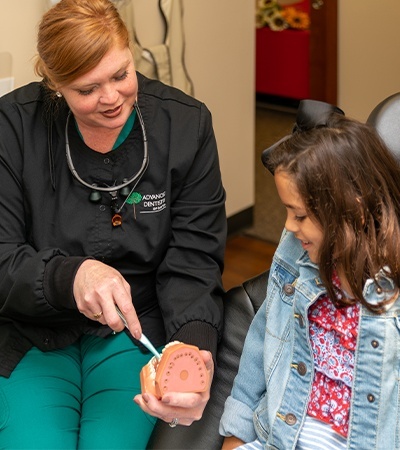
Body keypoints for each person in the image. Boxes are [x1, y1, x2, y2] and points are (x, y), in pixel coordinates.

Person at [0, 0, 226, 448]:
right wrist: (71, 275)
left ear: (130, 53)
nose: (111, 98)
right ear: (54, 82)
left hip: (136, 330)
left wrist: (190, 348)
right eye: (87, 89)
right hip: (32, 330)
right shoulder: (12, 127)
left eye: (121, 75)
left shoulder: (184, 125)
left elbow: (194, 259)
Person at [219, 100, 400, 449]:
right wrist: (236, 436)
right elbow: (260, 344)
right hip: (280, 436)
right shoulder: (294, 250)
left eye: (299, 216)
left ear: (354, 210)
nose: (288, 227)